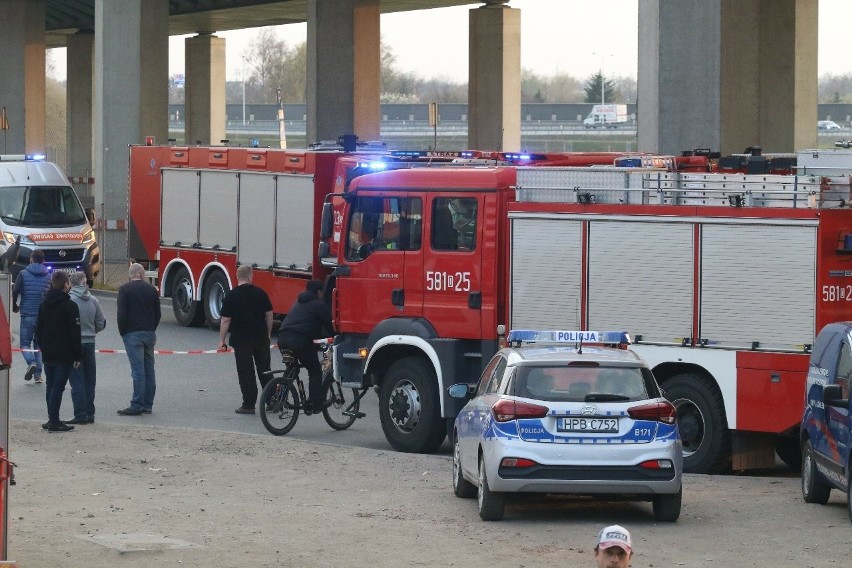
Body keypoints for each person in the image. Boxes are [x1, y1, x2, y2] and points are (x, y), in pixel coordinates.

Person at [218, 265, 273, 414]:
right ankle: (272, 400)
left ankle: (249, 404)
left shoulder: (231, 295)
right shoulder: (261, 293)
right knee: (265, 370)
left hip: (241, 339)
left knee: (246, 372)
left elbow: (225, 320)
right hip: (260, 337)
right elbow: (269, 314)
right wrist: (268, 333)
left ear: (237, 276)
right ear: (250, 276)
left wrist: (222, 340)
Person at [276, 279, 334, 412]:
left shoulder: (298, 303)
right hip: (299, 340)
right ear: (319, 292)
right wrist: (337, 336)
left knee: (292, 368)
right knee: (314, 369)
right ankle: (316, 403)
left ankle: (279, 398)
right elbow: (329, 325)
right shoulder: (319, 305)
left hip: (282, 338)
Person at [35, 271, 81, 432]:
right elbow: (75, 333)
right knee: (58, 387)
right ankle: (54, 421)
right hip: (64, 353)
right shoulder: (70, 306)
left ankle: (51, 418)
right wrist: (77, 354)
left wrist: (42, 346)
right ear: (65, 285)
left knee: (50, 385)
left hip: (48, 352)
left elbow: (38, 328)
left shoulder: (44, 304)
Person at [116, 263, 161, 416]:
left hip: (132, 333)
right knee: (149, 369)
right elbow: (158, 313)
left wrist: (123, 332)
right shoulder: (151, 290)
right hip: (149, 333)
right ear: (142, 274)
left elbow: (121, 315)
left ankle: (136, 404)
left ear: (130, 275)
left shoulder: (124, 289)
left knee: (137, 371)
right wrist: (151, 328)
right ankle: (148, 404)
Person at [67, 271, 106, 424]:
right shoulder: (94, 301)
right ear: (84, 282)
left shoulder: (69, 300)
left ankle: (80, 414)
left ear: (71, 284)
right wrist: (91, 332)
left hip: (74, 344)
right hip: (90, 343)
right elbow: (101, 323)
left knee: (76, 380)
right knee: (90, 380)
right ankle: (90, 413)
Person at [12, 249, 51, 383]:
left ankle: (31, 362)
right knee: (39, 346)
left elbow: (15, 291)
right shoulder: (49, 275)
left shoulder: (23, 274)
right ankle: (38, 376)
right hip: (43, 316)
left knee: (24, 344)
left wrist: (14, 306)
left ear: (31, 260)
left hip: (27, 314)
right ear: (43, 261)